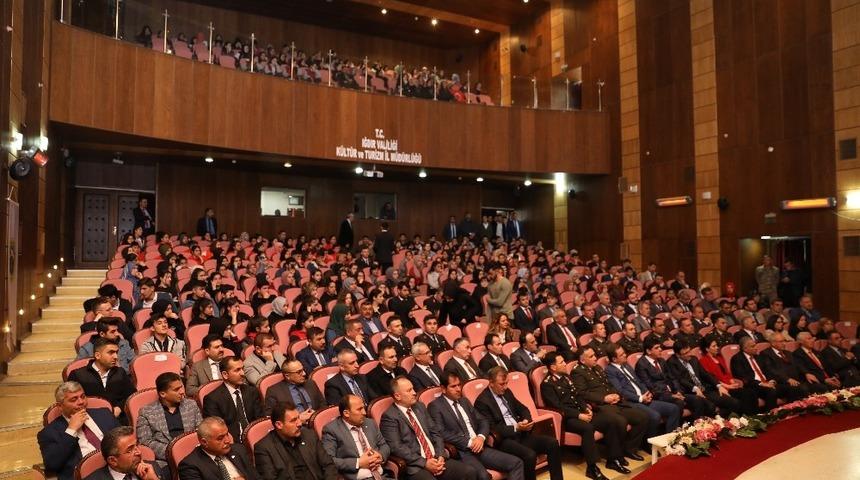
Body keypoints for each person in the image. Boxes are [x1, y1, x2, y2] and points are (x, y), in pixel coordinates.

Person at [428, 373, 525, 480]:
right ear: (443, 389)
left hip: (480, 446)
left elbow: (483, 420)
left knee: (517, 463)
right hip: (463, 452)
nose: (458, 389)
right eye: (453, 386)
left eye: (459, 385)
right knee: (483, 477)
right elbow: (441, 432)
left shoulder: (464, 401)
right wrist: (469, 443)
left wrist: (481, 437)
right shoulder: (435, 406)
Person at [379, 376, 479, 480]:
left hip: (437, 459)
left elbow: (435, 432)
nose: (414, 392)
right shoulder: (389, 416)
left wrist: (440, 455)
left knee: (469, 472)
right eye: (409, 390)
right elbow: (397, 447)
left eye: (413, 388)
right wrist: (425, 463)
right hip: (416, 466)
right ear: (397, 396)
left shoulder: (420, 407)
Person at [474, 367, 563, 480]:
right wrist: (516, 428)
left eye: (507, 383)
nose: (505, 387)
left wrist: (526, 420)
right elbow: (493, 428)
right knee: (529, 455)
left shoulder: (506, 392)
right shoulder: (482, 401)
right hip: (503, 440)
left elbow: (523, 409)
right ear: (491, 383)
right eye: (502, 384)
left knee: (552, 443)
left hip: (520, 433)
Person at [570, 347, 648, 465]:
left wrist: (615, 394)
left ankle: (629, 449)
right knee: (619, 421)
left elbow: (608, 384)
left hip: (615, 403)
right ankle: (615, 456)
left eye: (594, 355)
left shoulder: (597, 368)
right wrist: (604, 398)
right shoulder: (577, 372)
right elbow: (582, 393)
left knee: (642, 417)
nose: (595, 358)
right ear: (582, 360)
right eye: (591, 356)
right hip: (600, 407)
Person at [38, 381, 120, 480]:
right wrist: (71, 431)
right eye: (74, 399)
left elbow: (124, 438)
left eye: (83, 396)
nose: (81, 402)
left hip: (119, 469)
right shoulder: (49, 433)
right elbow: (52, 464)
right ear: (60, 406)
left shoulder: (104, 413)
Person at [605, 344, 681, 439]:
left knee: (674, 409)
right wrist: (640, 398)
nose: (625, 355)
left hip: (643, 397)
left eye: (624, 352)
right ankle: (649, 443)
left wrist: (647, 393)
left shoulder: (626, 365)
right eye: (621, 354)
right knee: (655, 416)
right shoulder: (610, 370)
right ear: (614, 359)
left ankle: (671, 439)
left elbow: (639, 381)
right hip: (632, 402)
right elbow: (620, 391)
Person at [136, 372, 202, 473]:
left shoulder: (191, 405)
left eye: (181, 387)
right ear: (163, 394)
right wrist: (173, 451)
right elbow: (145, 442)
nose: (182, 392)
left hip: (194, 454)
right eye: (176, 389)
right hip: (166, 460)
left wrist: (188, 449)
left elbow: (200, 431)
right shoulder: (146, 412)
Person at [255, 400, 338, 480]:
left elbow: (329, 466)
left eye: (298, 418)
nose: (299, 424)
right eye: (293, 420)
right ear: (279, 425)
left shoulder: (309, 435)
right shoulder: (263, 448)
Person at [322, 394, 393, 480]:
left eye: (363, 408)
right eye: (359, 409)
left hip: (382, 476)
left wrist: (380, 456)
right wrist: (358, 463)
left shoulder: (370, 423)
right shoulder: (332, 430)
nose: (364, 412)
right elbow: (329, 460)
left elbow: (384, 445)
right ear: (346, 413)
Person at [666, 340, 742, 417]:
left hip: (704, 389)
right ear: (678, 355)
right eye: (685, 353)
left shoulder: (694, 359)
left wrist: (718, 385)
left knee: (733, 402)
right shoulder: (672, 362)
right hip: (690, 392)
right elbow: (680, 379)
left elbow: (705, 374)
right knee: (711, 407)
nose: (689, 354)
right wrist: (694, 388)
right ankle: (715, 424)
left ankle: (723, 422)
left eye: (689, 351)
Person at [635, 338, 706, 419]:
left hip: (673, 393)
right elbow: (649, 386)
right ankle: (678, 429)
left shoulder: (661, 360)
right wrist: (671, 395)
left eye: (660, 347)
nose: (660, 349)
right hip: (660, 395)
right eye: (656, 348)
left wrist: (678, 391)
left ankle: (696, 426)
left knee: (697, 400)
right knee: (679, 402)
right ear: (648, 351)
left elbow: (672, 378)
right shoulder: (641, 364)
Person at [69, 338, 136, 421]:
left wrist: (119, 408)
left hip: (118, 420)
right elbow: (71, 401)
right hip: (88, 420)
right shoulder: (78, 375)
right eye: (111, 353)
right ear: (97, 355)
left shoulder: (120, 372)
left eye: (116, 352)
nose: (116, 356)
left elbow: (131, 395)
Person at [202, 356, 265, 442]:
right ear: (225, 375)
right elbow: (217, 430)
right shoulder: (212, 399)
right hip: (231, 442)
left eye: (242, 368)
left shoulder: (252, 391)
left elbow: (260, 419)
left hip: (257, 437)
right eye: (237, 370)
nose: (243, 373)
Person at [730, 337, 801, 412]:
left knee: (791, 388)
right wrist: (761, 383)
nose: (756, 348)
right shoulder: (737, 359)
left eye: (755, 345)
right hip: (754, 386)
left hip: (767, 383)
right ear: (745, 348)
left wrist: (772, 380)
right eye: (753, 346)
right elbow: (743, 377)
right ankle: (771, 414)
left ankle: (790, 411)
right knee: (770, 390)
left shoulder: (758, 357)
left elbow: (767, 371)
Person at [178, 417, 257, 480]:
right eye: (220, 438)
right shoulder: (190, 465)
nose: (228, 440)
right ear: (204, 442)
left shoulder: (239, 450)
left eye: (227, 434)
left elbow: (256, 477)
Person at [759, 331, 829, 395]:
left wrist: (806, 373)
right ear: (773, 343)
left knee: (821, 387)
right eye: (781, 341)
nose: (784, 343)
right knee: (802, 389)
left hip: (797, 380)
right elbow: (771, 370)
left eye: (785, 341)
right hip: (782, 382)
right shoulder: (766, 354)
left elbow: (798, 365)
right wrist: (787, 379)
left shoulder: (788, 353)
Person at [82, 426, 160, 480]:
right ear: (113, 460)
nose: (139, 452)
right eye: (129, 450)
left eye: (137, 445)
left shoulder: (152, 468)